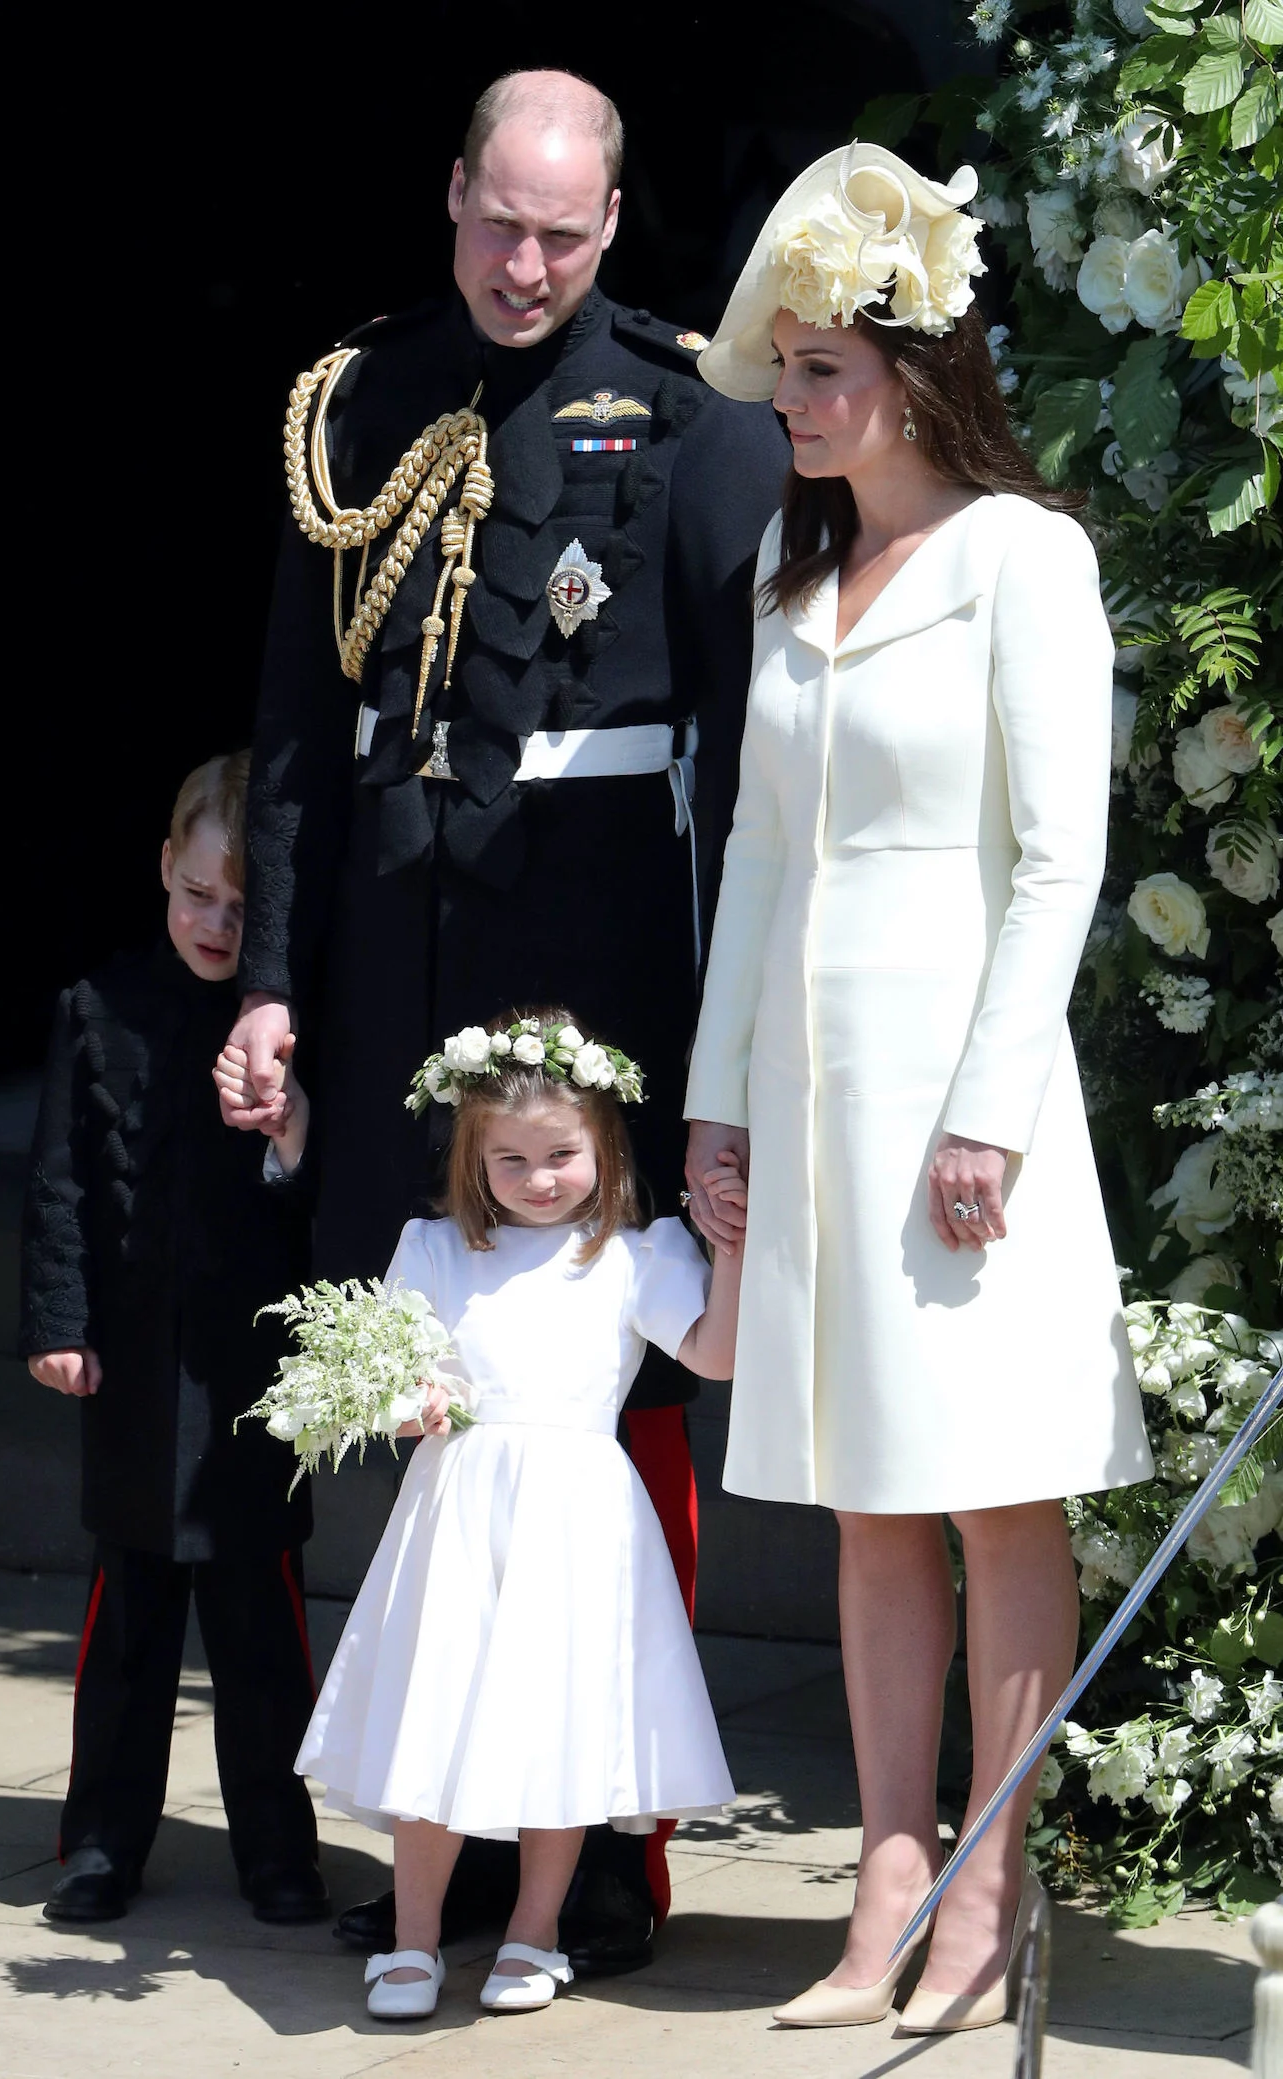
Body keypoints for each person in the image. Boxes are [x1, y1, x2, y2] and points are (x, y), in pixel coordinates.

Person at [221, 67, 788, 1966]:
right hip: (401, 957)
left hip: (600, 948)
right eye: (496, 219)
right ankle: (441, 1827)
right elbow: (303, 732)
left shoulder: (695, 414)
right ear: (451, 192)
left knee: (607, 1399)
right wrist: (283, 978)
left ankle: (608, 1832)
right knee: (417, 1379)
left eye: (561, 231)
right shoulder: (361, 401)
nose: (523, 262)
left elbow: (755, 741)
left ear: (614, 224)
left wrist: (732, 1040)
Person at [681, 144, 1152, 2033]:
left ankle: (987, 1876)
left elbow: (1059, 855)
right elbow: (765, 869)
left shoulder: (1022, 555)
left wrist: (991, 1108)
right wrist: (718, 1108)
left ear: (915, 370)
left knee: (990, 1497)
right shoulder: (800, 578)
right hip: (813, 1102)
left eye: (820, 369)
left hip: (967, 1103)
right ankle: (885, 1870)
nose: (791, 401)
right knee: (874, 1500)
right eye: (783, 367)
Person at [217, 1008, 745, 2019]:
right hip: (459, 1510)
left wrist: (729, 1252)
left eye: (560, 1154)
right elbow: (395, 1369)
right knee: (437, 1713)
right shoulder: (433, 1249)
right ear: (473, 1155)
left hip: (579, 1514)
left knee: (559, 1724)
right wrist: (403, 1401)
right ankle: (415, 1939)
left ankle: (532, 1932)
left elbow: (711, 1356)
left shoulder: (638, 1254)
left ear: (603, 1146)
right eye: (510, 1159)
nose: (539, 1177)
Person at [19, 753, 326, 1928]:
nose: (215, 921)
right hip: (137, 1368)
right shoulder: (96, 1010)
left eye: (243, 908)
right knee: (130, 1622)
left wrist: (294, 1138)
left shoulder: (292, 1033)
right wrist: (59, 1324)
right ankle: (100, 1840)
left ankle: (276, 1847)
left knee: (260, 1626)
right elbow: (60, 1186)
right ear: (163, 866)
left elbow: (314, 1205)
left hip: (252, 1371)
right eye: (199, 892)